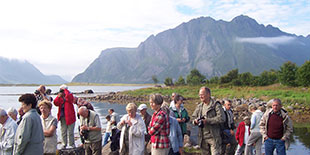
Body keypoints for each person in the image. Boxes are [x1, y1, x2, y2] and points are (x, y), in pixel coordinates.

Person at [192, 87, 225, 155]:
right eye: (199, 95)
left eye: (202, 94)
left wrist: (207, 121)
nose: (200, 96)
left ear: (208, 94)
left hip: (214, 137)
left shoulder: (216, 105)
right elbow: (193, 117)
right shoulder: (200, 106)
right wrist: (195, 121)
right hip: (203, 138)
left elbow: (222, 118)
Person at [54, 84, 76, 148]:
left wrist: (65, 90)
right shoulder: (60, 97)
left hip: (70, 116)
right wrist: (58, 96)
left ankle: (72, 144)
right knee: (63, 131)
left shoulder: (69, 95)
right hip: (62, 116)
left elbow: (69, 98)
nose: (62, 92)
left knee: (70, 132)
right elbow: (55, 103)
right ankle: (64, 144)